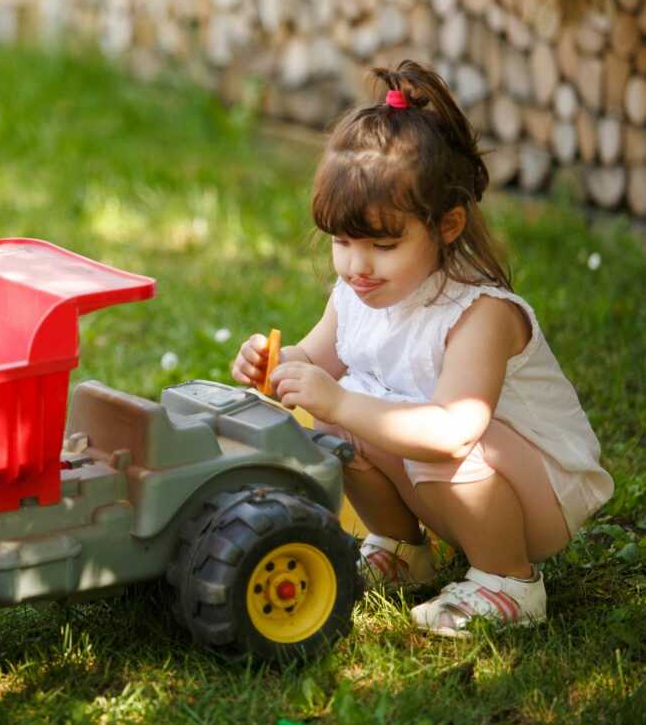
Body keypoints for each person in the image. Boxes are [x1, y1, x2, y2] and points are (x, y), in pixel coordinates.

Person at [231, 60, 613, 638]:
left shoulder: (481, 315)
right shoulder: (356, 294)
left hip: (538, 493)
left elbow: (454, 431)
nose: (357, 265)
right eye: (342, 242)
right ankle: (404, 550)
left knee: (405, 431)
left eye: (383, 244)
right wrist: (273, 364)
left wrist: (335, 400)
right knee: (341, 421)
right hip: (449, 473)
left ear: (448, 225)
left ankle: (509, 581)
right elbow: (313, 361)